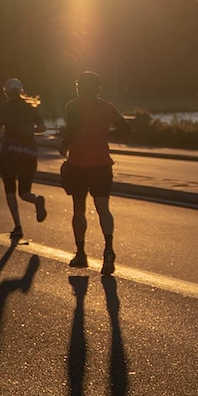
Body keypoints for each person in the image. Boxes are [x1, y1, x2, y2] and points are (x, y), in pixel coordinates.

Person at [59, 71, 132, 275]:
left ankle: (81, 254)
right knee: (103, 208)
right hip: (102, 165)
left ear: (79, 88)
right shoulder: (108, 107)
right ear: (98, 88)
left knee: (79, 209)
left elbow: (72, 128)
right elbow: (127, 129)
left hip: (78, 165)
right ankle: (108, 250)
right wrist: (105, 134)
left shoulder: (73, 106)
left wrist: (63, 145)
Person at [0, 78, 48, 244]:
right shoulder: (31, 108)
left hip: (10, 152)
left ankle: (18, 226)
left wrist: (4, 135)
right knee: (24, 192)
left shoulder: (2, 109)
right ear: (21, 91)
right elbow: (43, 128)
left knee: (10, 189)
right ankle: (36, 200)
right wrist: (29, 133)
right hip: (29, 152)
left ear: (6, 93)